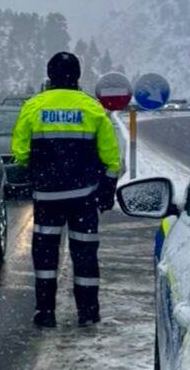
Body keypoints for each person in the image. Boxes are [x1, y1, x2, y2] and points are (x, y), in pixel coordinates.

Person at [12, 52, 121, 328]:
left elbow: (21, 153)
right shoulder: (92, 108)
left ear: (50, 76)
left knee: (46, 256)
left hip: (47, 198)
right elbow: (111, 157)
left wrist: (34, 173)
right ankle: (87, 312)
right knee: (84, 255)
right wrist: (107, 188)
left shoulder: (34, 107)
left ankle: (46, 312)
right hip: (84, 197)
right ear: (78, 76)